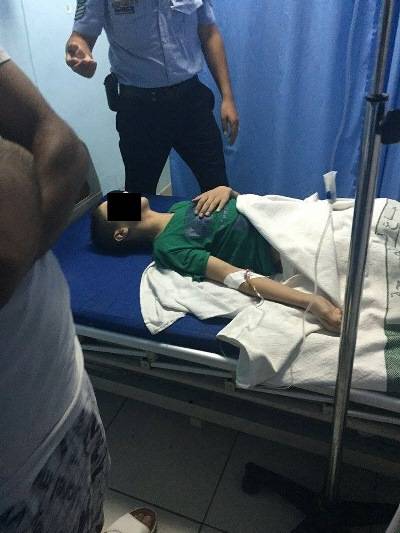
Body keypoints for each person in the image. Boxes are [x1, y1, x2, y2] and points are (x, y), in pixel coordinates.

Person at [0, 50, 156, 533]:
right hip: (19, 474)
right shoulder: (174, 240)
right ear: (125, 236)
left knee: (91, 507)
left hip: (66, 396)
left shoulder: (177, 212)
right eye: (125, 211)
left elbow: (68, 151)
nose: (134, 202)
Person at [90, 186, 343, 333]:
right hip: (289, 245)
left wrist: (229, 191)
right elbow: (232, 276)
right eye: (115, 203)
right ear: (121, 233)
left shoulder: (178, 208)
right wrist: (311, 302)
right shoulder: (168, 248)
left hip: (292, 217)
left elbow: (244, 209)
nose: (123, 194)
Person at [65, 0, 239, 194]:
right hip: (139, 110)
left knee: (219, 188)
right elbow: (80, 37)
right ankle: (119, 213)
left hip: (191, 102)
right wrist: (78, 53)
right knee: (136, 195)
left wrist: (228, 98)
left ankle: (220, 213)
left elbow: (209, 32)